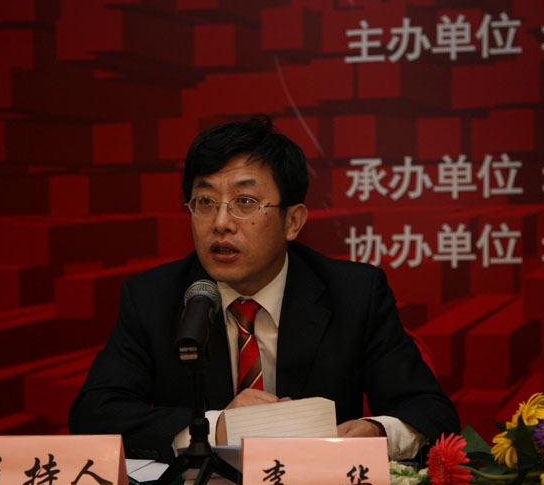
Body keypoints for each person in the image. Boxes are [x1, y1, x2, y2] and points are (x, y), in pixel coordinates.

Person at [69, 115, 460, 462]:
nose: (220, 222)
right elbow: (94, 414)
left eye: (244, 201)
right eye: (205, 202)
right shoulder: (153, 298)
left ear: (293, 221)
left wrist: (376, 433)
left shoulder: (354, 294)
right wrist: (215, 428)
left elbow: (432, 413)